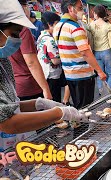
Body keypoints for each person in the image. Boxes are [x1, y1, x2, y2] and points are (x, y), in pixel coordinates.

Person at [0, 0, 84, 152]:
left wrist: (38, 104)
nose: (18, 40)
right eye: (14, 34)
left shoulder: (3, 60)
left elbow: (6, 108)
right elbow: (7, 122)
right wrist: (59, 113)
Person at [53, 0, 107, 109]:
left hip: (69, 74)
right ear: (70, 8)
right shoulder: (76, 28)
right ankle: (81, 125)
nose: (83, 12)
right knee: (85, 108)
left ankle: (77, 124)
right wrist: (100, 71)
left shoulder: (57, 27)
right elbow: (85, 52)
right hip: (83, 75)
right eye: (80, 8)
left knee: (78, 106)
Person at [9, 0, 52, 101]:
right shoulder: (22, 30)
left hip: (12, 86)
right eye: (26, 5)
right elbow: (31, 63)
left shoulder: (5, 29)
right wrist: (46, 89)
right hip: (28, 86)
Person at [37, 12, 71, 105]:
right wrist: (65, 55)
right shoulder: (50, 40)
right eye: (56, 24)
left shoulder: (41, 37)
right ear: (49, 24)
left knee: (48, 102)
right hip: (52, 75)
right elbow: (55, 61)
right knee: (54, 102)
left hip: (45, 73)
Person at [88, 4, 111, 91]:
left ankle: (101, 92)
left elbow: (89, 40)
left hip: (96, 52)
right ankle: (107, 92)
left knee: (100, 73)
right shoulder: (107, 26)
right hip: (107, 52)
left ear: (95, 14)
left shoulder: (91, 25)